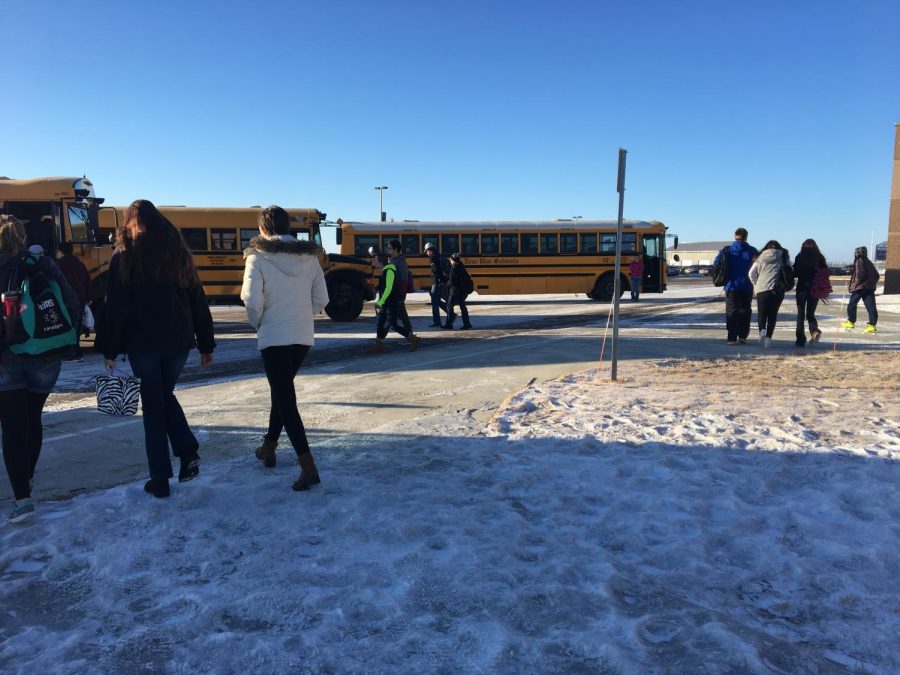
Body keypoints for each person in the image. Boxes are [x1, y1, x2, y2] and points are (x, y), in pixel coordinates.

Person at [101, 200, 215, 499]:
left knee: (153, 405)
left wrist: (110, 349)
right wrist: (205, 342)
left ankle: (161, 478)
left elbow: (116, 309)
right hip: (179, 341)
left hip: (143, 343)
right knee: (161, 396)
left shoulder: (124, 257)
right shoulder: (179, 256)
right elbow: (197, 301)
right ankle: (186, 451)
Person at [241, 206, 329, 490]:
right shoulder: (309, 257)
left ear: (263, 229)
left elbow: (251, 300)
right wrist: (303, 316)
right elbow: (321, 298)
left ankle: (308, 465)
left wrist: (261, 323)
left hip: (274, 335)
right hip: (302, 336)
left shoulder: (257, 257)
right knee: (281, 392)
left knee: (285, 399)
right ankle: (268, 447)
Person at [0, 214, 80, 522]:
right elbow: (71, 303)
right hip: (45, 356)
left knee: (12, 427)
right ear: (23, 237)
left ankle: (23, 498)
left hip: (5, 358)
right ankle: (28, 477)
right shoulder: (44, 264)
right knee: (32, 419)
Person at [713, 227, 758, 345]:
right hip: (747, 286)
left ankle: (731, 337)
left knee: (731, 312)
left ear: (735, 236)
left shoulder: (726, 250)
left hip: (731, 286)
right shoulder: (752, 251)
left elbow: (716, 264)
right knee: (745, 311)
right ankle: (743, 336)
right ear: (746, 237)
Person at [370, 252, 421, 353]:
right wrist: (376, 289)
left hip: (392, 302)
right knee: (380, 323)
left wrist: (380, 301)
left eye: (374, 259)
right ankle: (378, 344)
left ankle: (413, 339)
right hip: (387, 302)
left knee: (393, 325)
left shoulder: (389, 271)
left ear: (380, 261)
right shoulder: (384, 271)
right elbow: (384, 286)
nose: (373, 261)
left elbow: (388, 288)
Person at [749, 240, 791, 348]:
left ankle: (762, 331)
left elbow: (751, 273)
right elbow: (790, 271)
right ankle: (768, 338)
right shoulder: (784, 257)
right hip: (778, 290)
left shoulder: (760, 257)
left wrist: (756, 284)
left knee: (762, 314)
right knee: (773, 315)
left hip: (762, 289)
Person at [55, 242, 92, 360]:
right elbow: (87, 281)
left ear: (61, 252)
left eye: (57, 251)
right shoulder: (80, 264)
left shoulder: (57, 265)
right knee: (78, 324)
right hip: (80, 298)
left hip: (65, 298)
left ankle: (70, 352)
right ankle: (78, 350)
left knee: (66, 325)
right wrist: (88, 298)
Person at [792, 238, 827, 347]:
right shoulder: (820, 258)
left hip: (802, 287)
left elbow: (795, 272)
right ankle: (814, 332)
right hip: (815, 288)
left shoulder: (799, 257)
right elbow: (825, 273)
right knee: (810, 313)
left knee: (800, 314)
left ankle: (800, 339)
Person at [842, 246, 879, 333]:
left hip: (860, 288)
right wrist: (871, 283)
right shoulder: (869, 262)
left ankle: (851, 321)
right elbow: (877, 275)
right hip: (869, 288)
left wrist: (855, 284)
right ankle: (872, 325)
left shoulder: (859, 261)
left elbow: (860, 275)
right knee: (871, 307)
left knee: (852, 304)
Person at [386, 239, 415, 336]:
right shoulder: (392, 261)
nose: (388, 250)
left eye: (390, 248)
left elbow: (404, 279)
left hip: (398, 293)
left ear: (396, 249)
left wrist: (402, 294)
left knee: (399, 316)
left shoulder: (400, 262)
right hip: (392, 293)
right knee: (398, 316)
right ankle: (411, 336)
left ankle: (411, 336)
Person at [443, 252, 473, 329]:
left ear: (452, 260)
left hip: (455, 290)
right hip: (463, 290)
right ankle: (467, 323)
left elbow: (452, 280)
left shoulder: (454, 267)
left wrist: (447, 284)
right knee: (463, 307)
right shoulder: (462, 266)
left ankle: (449, 324)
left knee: (449, 306)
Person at [424, 242, 449, 327]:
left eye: (426, 251)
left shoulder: (432, 257)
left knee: (434, 302)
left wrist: (433, 274)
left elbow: (434, 268)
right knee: (437, 300)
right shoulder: (439, 255)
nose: (426, 253)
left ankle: (437, 321)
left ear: (428, 250)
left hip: (437, 281)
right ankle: (451, 313)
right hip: (442, 281)